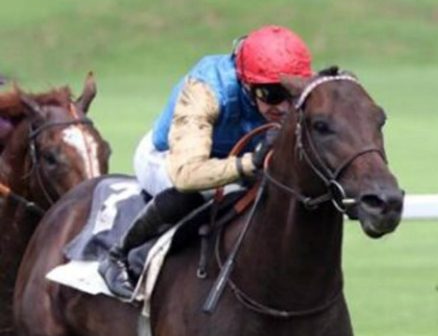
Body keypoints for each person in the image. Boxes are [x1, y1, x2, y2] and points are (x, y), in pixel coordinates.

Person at [99, 25, 314, 300]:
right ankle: (118, 254)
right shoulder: (206, 89)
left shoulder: (289, 95)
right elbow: (186, 174)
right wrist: (250, 163)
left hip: (233, 158)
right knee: (195, 194)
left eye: (290, 94)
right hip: (168, 158)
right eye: (271, 94)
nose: (283, 107)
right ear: (246, 83)